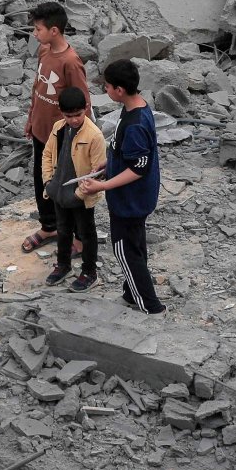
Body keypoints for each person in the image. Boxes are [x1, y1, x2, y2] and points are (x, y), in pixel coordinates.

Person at [78, 59, 164, 314]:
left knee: (125, 251)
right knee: (135, 247)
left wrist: (101, 187)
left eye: (107, 86)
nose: (105, 90)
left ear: (119, 90)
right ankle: (131, 293)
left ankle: (151, 307)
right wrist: (106, 166)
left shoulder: (136, 124)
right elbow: (125, 155)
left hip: (130, 201)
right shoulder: (135, 108)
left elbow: (138, 168)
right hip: (134, 199)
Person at [21, 1, 89, 255]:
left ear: (54, 31)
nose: (34, 34)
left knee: (67, 185)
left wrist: (80, 138)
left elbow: (83, 102)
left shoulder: (70, 62)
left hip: (62, 136)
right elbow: (38, 90)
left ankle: (78, 237)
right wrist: (31, 118)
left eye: (37, 29)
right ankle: (49, 226)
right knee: (42, 181)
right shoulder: (44, 52)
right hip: (41, 131)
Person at [40, 86, 105, 291]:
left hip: (81, 196)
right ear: (62, 112)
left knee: (86, 233)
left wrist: (78, 194)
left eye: (78, 115)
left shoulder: (94, 135)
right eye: (69, 116)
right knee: (63, 230)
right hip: (59, 191)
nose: (74, 120)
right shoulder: (59, 128)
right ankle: (63, 265)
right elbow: (47, 154)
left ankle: (89, 272)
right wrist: (48, 182)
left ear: (85, 109)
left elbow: (98, 172)